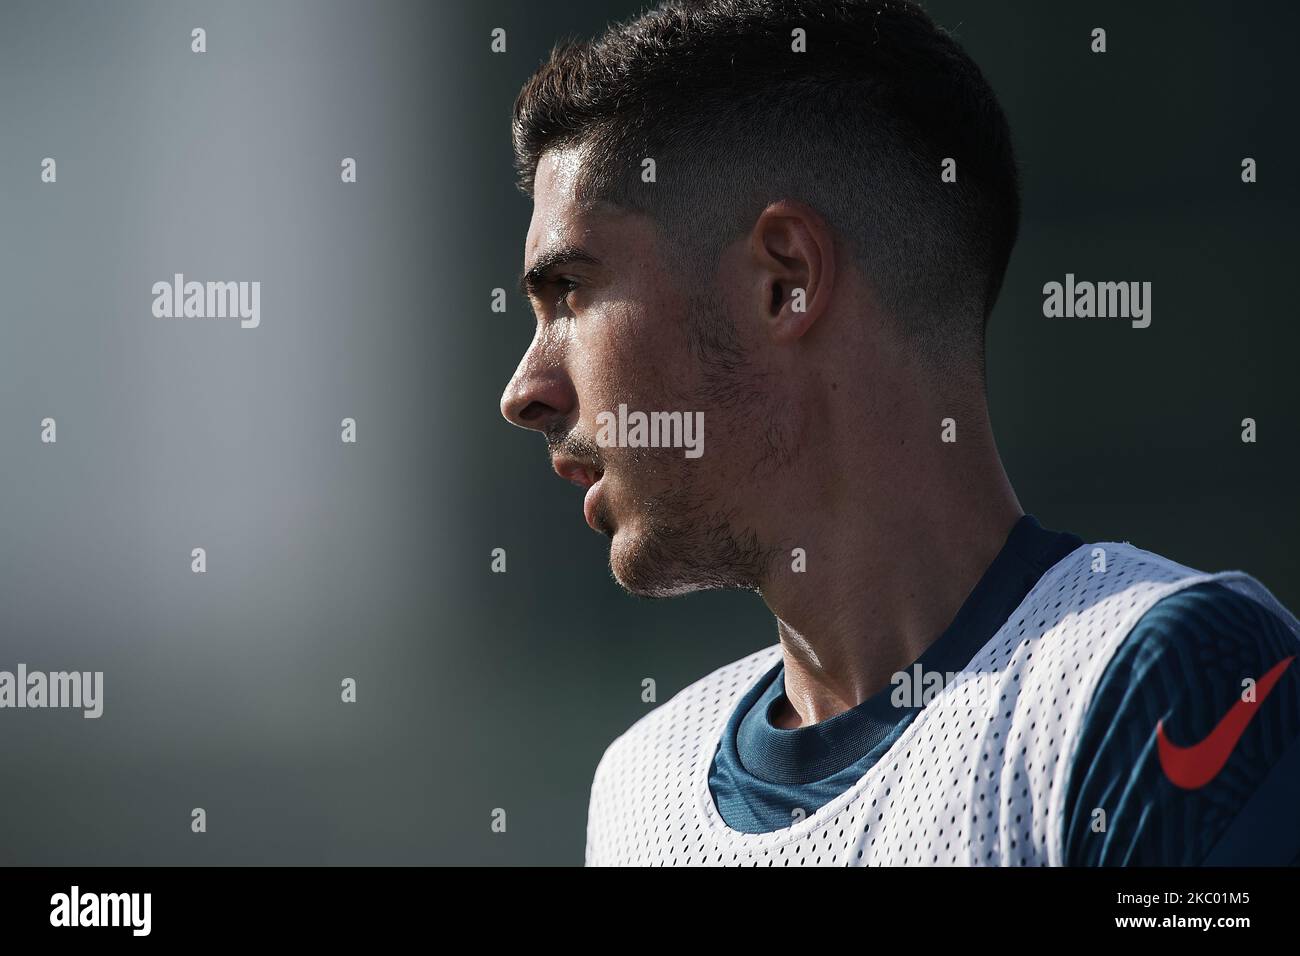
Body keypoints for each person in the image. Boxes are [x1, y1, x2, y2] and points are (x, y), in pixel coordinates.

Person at [499, 0, 1300, 866]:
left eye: (569, 294)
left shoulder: (1171, 683)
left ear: (785, 281)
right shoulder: (637, 788)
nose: (525, 391)